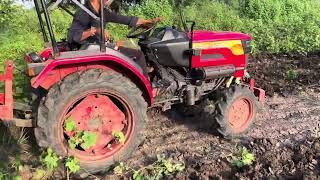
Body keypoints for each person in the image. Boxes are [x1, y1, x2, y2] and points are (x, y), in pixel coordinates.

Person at [67, 0, 162, 77]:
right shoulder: (83, 12)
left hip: (101, 46)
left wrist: (147, 21)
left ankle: (143, 70)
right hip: (92, 50)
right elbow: (73, 37)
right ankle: (145, 82)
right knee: (139, 54)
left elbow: (124, 19)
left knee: (122, 46)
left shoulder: (102, 12)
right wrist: (95, 30)